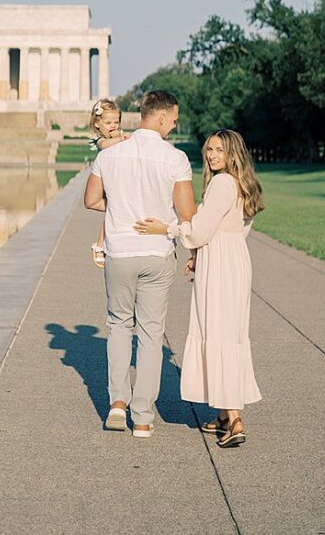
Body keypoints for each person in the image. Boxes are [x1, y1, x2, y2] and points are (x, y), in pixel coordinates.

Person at [133, 129, 263, 448]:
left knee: (218, 333)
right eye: (209, 150)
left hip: (220, 264)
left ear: (233, 152)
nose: (211, 155)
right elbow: (237, 227)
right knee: (228, 334)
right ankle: (223, 414)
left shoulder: (221, 183)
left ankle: (234, 420)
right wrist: (200, 256)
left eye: (219, 150)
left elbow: (201, 230)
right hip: (234, 259)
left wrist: (166, 228)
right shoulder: (240, 183)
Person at [84, 90, 195, 437]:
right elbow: (188, 215)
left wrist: (118, 210)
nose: (174, 124)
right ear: (161, 117)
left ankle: (117, 403)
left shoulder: (111, 155)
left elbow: (91, 200)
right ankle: (143, 417)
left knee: (119, 325)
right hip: (157, 252)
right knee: (150, 333)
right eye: (174, 118)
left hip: (120, 251)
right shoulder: (175, 159)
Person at [87, 99, 129, 267]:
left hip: (119, 177)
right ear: (98, 124)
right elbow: (105, 146)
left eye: (116, 122)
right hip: (106, 179)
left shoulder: (120, 135)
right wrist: (121, 138)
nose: (113, 125)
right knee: (112, 209)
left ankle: (113, 240)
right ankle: (99, 244)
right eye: (108, 122)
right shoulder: (99, 139)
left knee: (117, 209)